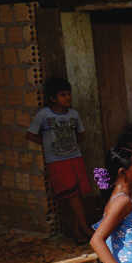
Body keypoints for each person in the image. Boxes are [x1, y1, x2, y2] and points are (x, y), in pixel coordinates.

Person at [26, 77, 93, 242]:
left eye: (68, 94)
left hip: (75, 158)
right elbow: (30, 134)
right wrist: (49, 145)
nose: (68, 98)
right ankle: (85, 228)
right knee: (71, 196)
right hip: (57, 162)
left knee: (77, 195)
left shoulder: (73, 114)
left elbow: (81, 134)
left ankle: (78, 233)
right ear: (52, 98)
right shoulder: (44, 115)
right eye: (63, 95)